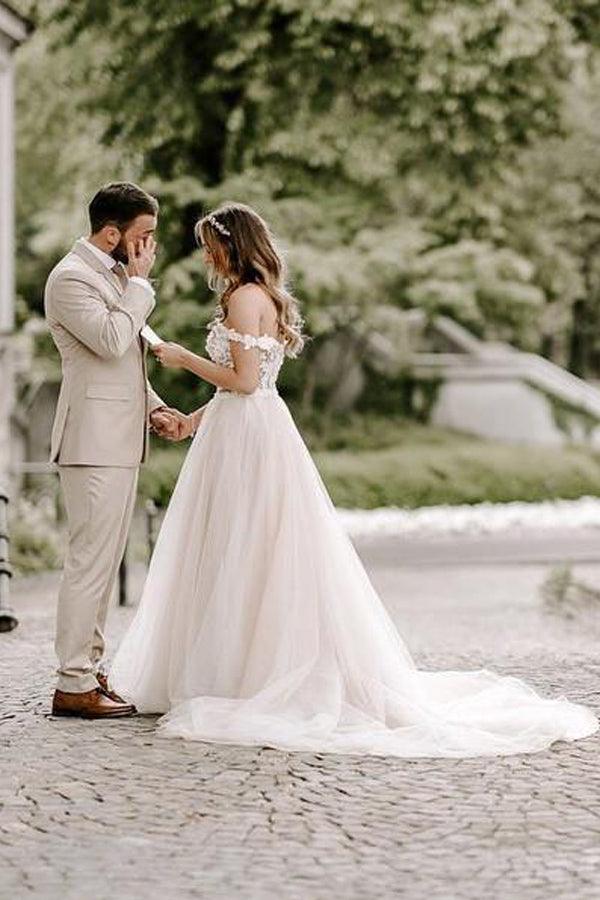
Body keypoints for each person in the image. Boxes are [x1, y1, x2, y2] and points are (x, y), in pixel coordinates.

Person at [109, 202, 598, 757]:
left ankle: (244, 675)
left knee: (248, 548)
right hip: (240, 431)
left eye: (210, 245)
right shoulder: (250, 296)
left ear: (232, 245)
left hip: (250, 438)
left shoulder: (247, 297)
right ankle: (228, 666)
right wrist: (191, 422)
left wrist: (182, 358)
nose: (206, 256)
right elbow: (243, 393)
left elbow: (245, 382)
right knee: (232, 548)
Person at [44, 182, 198, 719]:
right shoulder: (69, 279)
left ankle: (90, 669)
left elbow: (121, 362)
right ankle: (71, 682)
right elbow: (110, 339)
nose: (149, 248)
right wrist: (140, 287)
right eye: (144, 236)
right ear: (112, 233)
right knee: (89, 562)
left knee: (106, 563)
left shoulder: (110, 277)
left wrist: (154, 405)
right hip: (91, 442)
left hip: (118, 436)